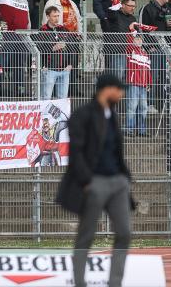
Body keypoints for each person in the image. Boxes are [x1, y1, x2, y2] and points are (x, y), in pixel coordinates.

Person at [55, 73, 132, 287]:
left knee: (125, 232)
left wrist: (125, 178)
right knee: (86, 235)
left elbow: (117, 151)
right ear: (107, 89)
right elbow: (76, 153)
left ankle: (114, 282)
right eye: (119, 89)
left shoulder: (112, 115)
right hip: (94, 182)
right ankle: (79, 282)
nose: (122, 94)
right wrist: (87, 181)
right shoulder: (83, 115)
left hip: (117, 182)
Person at [36, 6, 75, 100]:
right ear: (48, 17)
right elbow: (39, 49)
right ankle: (44, 115)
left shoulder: (64, 29)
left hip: (64, 70)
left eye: (58, 16)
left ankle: (60, 115)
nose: (57, 18)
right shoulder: (43, 30)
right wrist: (52, 48)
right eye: (54, 16)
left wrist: (70, 64)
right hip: (49, 69)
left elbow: (73, 48)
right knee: (46, 97)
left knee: (62, 98)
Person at [103, 0, 138, 81]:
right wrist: (116, 3)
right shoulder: (115, 14)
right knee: (117, 77)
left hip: (129, 53)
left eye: (134, 6)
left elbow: (136, 34)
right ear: (123, 5)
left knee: (126, 78)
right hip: (116, 51)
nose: (133, 8)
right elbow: (109, 12)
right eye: (130, 6)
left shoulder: (133, 18)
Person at [124, 32, 152, 137]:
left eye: (140, 39)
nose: (139, 41)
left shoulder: (145, 53)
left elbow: (148, 70)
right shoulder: (131, 51)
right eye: (136, 39)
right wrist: (132, 31)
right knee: (132, 106)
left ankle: (142, 130)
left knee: (143, 107)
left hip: (144, 85)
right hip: (133, 83)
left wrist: (149, 83)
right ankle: (129, 130)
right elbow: (129, 41)